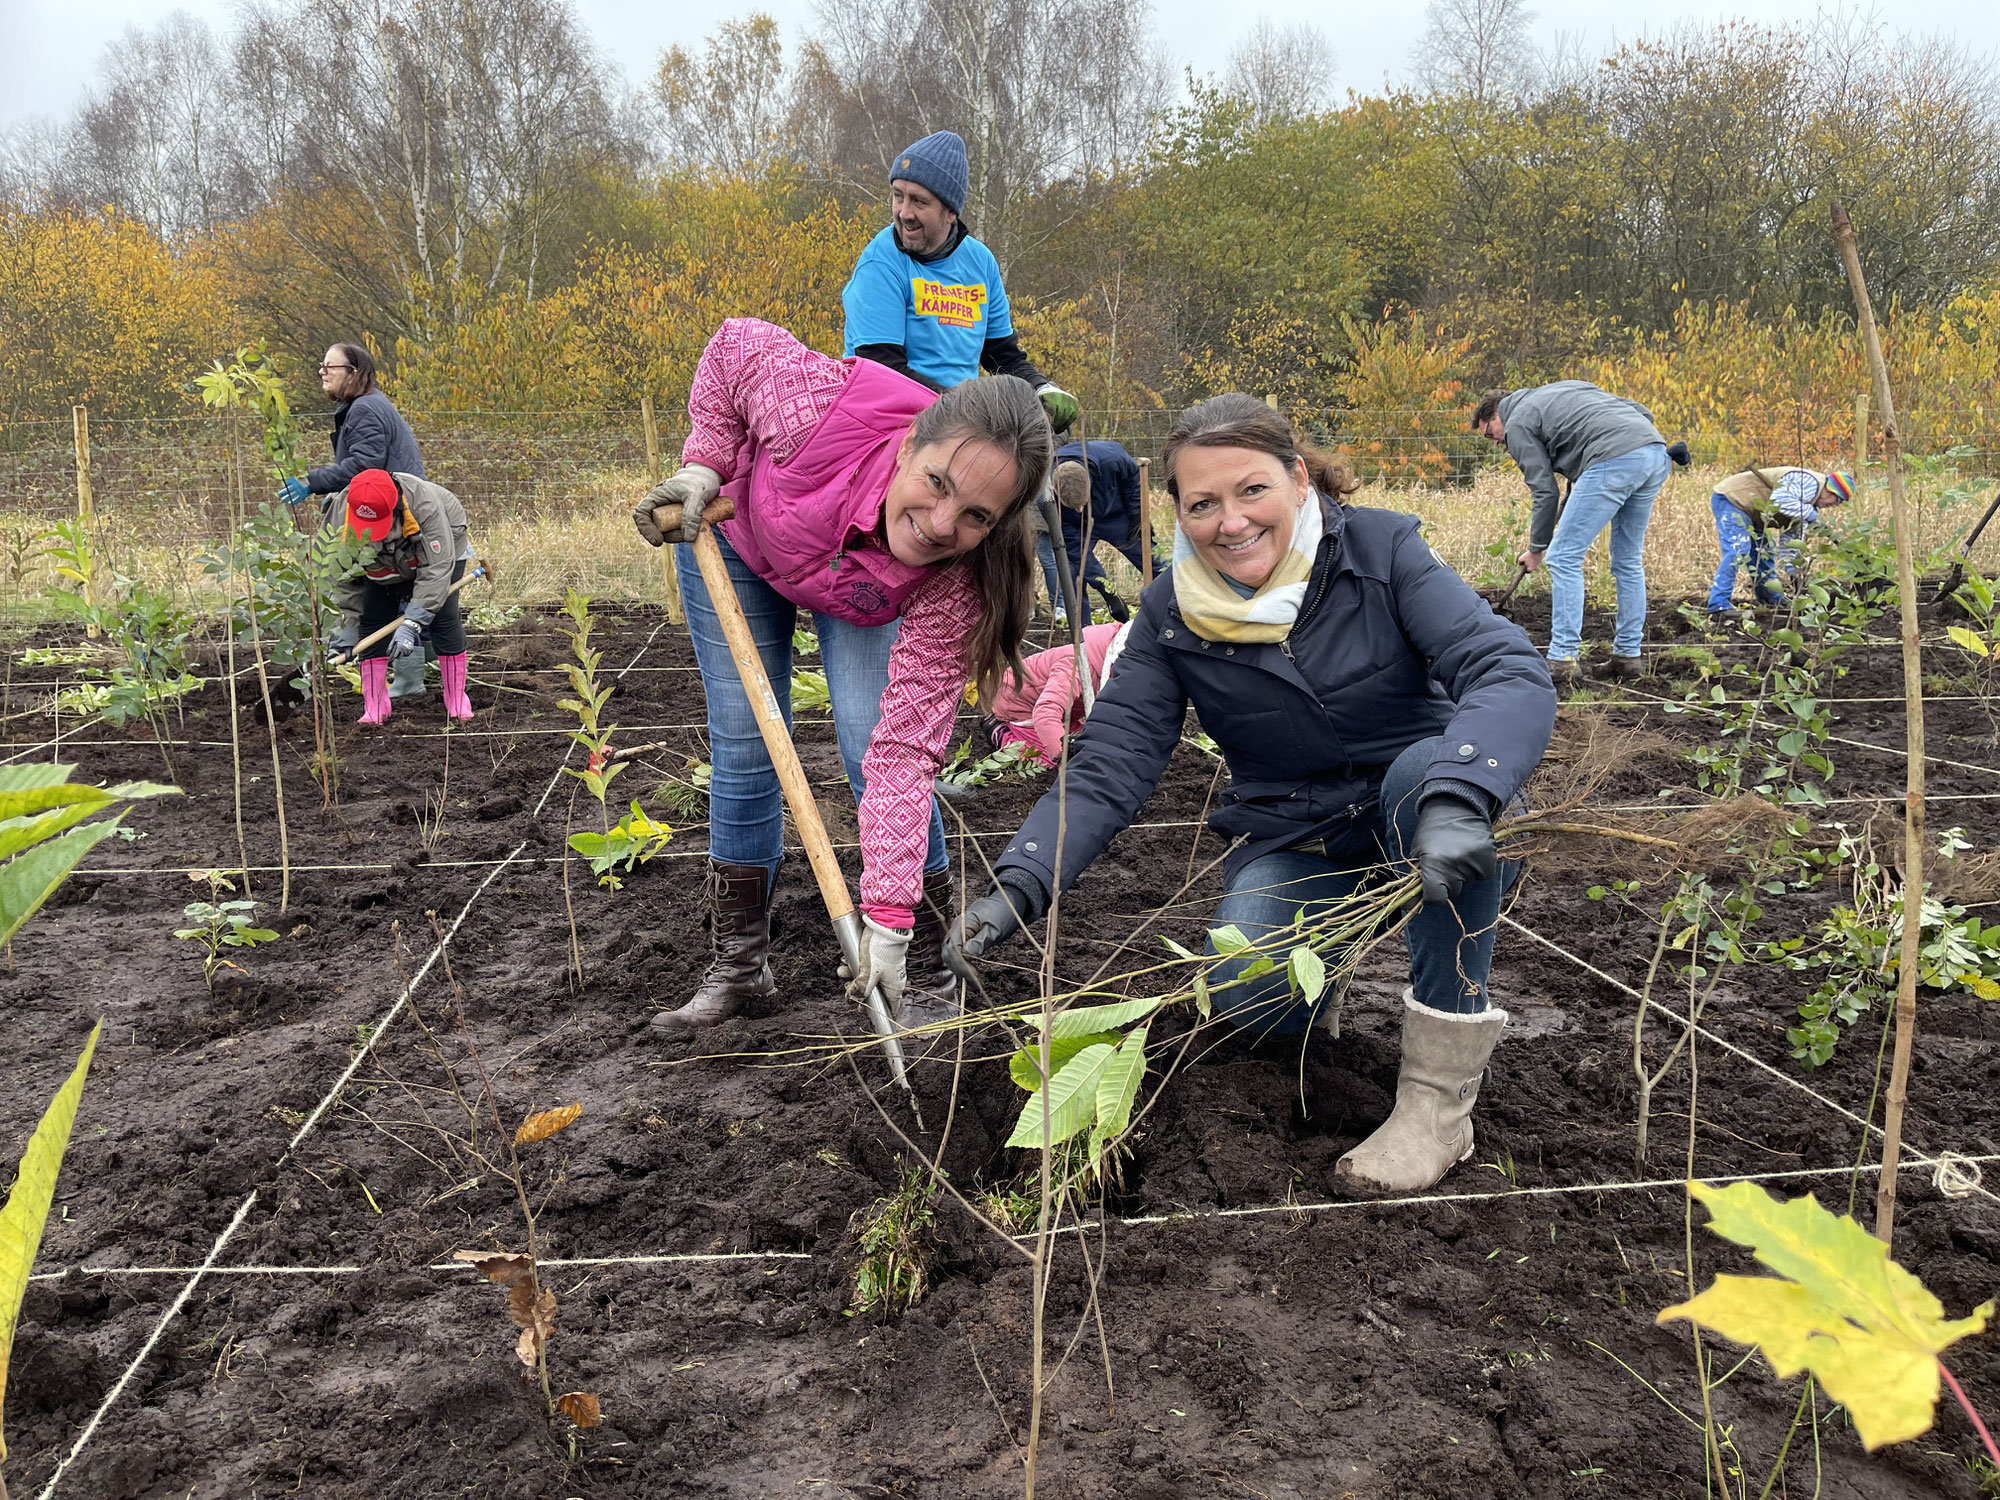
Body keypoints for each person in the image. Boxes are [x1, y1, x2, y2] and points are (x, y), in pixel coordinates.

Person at [946, 394, 1556, 1195]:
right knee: (1252, 998)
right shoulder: (1171, 617)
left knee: (1422, 780)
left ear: (1298, 479)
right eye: (1203, 504)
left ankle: (1436, 1108)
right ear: (1178, 512)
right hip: (1300, 835)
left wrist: (1461, 794)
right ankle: (1318, 979)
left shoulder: (1383, 549)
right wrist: (1017, 884)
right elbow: (1112, 762)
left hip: (1428, 814)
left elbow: (1505, 668)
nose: (1231, 522)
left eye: (1251, 491)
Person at [630, 318, 1052, 1040]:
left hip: (867, 585)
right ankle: (739, 966)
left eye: (975, 515)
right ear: (912, 443)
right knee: (744, 746)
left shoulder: (954, 575)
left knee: (871, 745)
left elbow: (904, 752)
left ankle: (920, 956)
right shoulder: (818, 411)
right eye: (936, 483)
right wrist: (706, 459)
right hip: (741, 535)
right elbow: (733, 344)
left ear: (998, 524)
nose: (941, 521)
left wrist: (884, 919)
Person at [842, 129, 1077, 433]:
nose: (904, 213)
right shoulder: (880, 262)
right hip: (887, 422)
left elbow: (1002, 356)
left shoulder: (981, 263)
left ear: (951, 211)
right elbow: (882, 372)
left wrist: (1040, 387)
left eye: (919, 202)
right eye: (898, 196)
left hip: (959, 420)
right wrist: (972, 410)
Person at [1472, 382, 1671, 685]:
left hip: (1614, 458)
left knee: (1563, 558)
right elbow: (1641, 411)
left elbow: (1544, 490)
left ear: (1497, 415)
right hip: (1654, 452)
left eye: (1490, 434)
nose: (1497, 443)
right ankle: (1628, 656)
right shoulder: (1563, 392)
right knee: (1628, 559)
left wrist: (1537, 548)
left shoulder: (1518, 422)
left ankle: (1563, 658)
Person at [282, 343, 434, 703]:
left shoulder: (365, 409)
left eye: (329, 366)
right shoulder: (365, 406)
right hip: (397, 506)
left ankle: (407, 679)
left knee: (390, 585)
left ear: (354, 371)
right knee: (395, 588)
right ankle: (414, 666)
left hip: (395, 512)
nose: (322, 371)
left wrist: (312, 482)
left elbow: (366, 467)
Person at [321, 468, 475, 725]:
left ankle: (457, 703)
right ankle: (375, 708)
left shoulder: (425, 506)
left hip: (441, 549)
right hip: (378, 563)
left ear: (395, 509)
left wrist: (413, 622)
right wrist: (346, 625)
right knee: (372, 621)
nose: (373, 534)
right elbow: (335, 575)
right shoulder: (338, 515)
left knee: (443, 618)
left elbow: (436, 571)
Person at [1707, 466, 1854, 622]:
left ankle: (1771, 599)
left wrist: (1794, 573)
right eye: (1838, 500)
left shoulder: (1805, 507)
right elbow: (1781, 500)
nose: (1835, 505)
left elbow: (1789, 543)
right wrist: (1812, 516)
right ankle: (1718, 607)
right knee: (1738, 550)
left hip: (1752, 511)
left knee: (1765, 551)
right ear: (1831, 491)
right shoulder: (1808, 483)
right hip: (1732, 499)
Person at [980, 621, 1131, 763]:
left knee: (1087, 742)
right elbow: (1046, 712)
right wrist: (1062, 757)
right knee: (1042, 758)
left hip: (1064, 709)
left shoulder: (1111, 658)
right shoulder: (1074, 668)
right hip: (1018, 702)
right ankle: (999, 731)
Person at [1053, 439, 1156, 623]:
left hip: (1117, 516)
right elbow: (1077, 551)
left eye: (1082, 504)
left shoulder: (1112, 458)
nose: (1079, 509)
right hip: (1078, 527)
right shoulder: (1046, 495)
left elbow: (1134, 481)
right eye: (1073, 506)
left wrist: (1136, 516)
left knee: (1151, 559)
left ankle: (1177, 610)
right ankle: (1083, 636)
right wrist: (1108, 591)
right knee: (1073, 572)